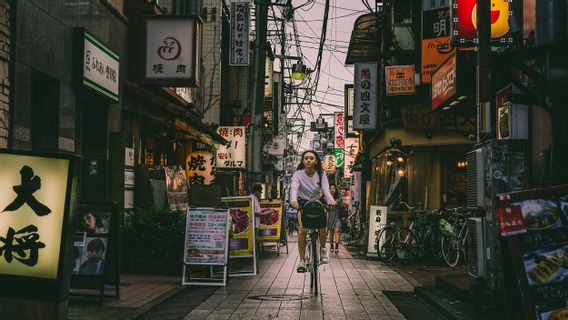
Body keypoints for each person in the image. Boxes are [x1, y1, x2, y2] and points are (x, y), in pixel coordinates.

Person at [290, 150, 336, 273]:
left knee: (322, 227)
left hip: (319, 202)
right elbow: (294, 188)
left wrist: (331, 200)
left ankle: (322, 249)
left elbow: (326, 190)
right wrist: (293, 200)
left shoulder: (322, 174)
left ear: (316, 161)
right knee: (302, 231)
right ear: (303, 161)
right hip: (303, 203)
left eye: (311, 158)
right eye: (306, 158)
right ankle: (301, 260)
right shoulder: (298, 174)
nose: (308, 160)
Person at [326, 184, 344, 253]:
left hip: (338, 215)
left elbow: (340, 204)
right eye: (330, 188)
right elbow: (326, 205)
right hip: (330, 215)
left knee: (337, 230)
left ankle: (336, 246)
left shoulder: (339, 197)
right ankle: (331, 246)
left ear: (336, 189)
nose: (332, 190)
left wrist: (335, 204)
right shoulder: (327, 197)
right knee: (331, 231)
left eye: (333, 188)